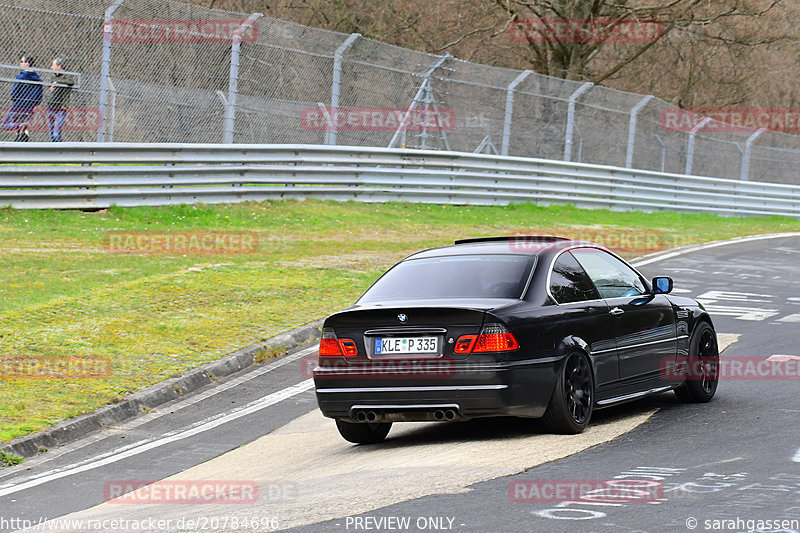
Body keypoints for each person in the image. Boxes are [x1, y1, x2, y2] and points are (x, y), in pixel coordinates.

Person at [1, 55, 43, 141]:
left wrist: (15, 99)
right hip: (30, 107)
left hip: (19, 105)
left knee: (5, 124)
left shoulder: (21, 76)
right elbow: (39, 97)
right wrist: (33, 103)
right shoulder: (38, 79)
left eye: (22, 61)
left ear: (27, 64)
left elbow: (14, 93)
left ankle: (20, 125)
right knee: (22, 126)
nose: (20, 63)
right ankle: (22, 136)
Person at [45, 57, 75, 142]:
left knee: (56, 133)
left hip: (61, 109)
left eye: (53, 65)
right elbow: (49, 84)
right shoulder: (53, 76)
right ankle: (54, 152)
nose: (51, 67)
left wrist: (57, 83)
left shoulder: (67, 76)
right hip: (51, 108)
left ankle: (61, 151)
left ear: (59, 66)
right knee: (51, 134)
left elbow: (71, 82)